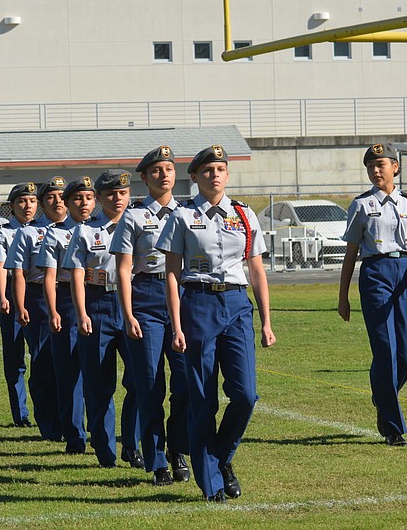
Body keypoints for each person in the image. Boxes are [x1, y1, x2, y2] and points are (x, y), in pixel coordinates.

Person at [157, 145, 275, 503]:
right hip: (198, 304)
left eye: (221, 169)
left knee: (246, 394)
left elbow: (256, 269)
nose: (215, 175)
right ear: (194, 176)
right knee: (202, 397)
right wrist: (176, 325)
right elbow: (172, 275)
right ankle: (211, 484)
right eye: (207, 170)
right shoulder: (181, 216)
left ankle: (220, 457)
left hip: (237, 304)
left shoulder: (243, 214)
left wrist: (267, 320)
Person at [338, 143, 407, 448]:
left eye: (382, 164)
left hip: (405, 271)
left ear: (396, 167)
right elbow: (351, 253)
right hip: (375, 273)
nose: (376, 171)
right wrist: (343, 296)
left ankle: (381, 393)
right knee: (386, 350)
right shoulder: (362, 205)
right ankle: (392, 427)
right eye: (371, 166)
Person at [110, 146, 190, 486]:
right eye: (156, 170)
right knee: (150, 384)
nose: (164, 174)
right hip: (145, 298)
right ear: (145, 177)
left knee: (187, 382)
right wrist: (128, 314)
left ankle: (179, 449)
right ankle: (157, 461)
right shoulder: (133, 216)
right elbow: (124, 270)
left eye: (169, 168)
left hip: (183, 298)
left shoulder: (188, 213)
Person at [63, 169, 142, 469]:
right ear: (99, 198)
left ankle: (132, 445)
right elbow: (77, 274)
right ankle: (105, 450)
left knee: (139, 379)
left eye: (122, 193)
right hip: (97, 302)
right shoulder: (86, 231)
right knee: (99, 384)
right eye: (110, 194)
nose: (117, 198)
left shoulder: (139, 224)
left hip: (132, 304)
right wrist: (82, 313)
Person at [5, 176, 67, 442]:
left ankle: (73, 421)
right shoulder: (29, 232)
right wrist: (20, 306)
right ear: (43, 203)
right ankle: (50, 424)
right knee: (43, 362)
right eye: (51, 196)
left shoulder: (79, 229)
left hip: (73, 297)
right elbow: (17, 272)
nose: (57, 201)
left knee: (73, 363)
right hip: (39, 298)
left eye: (62, 196)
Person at [36, 177, 95, 455]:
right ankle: (74, 435)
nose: (84, 204)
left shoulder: (103, 229)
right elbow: (50, 276)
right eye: (77, 199)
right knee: (68, 372)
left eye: (89, 198)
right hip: (68, 302)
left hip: (99, 298)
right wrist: (53, 310)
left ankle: (100, 431)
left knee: (98, 372)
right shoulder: (57, 233)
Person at [0, 183, 38, 427]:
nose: (27, 206)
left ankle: (46, 411)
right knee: (15, 357)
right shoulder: (5, 232)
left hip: (38, 292)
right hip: (11, 289)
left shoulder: (46, 229)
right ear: (12, 206)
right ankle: (21, 415)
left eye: (31, 201)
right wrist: (3, 298)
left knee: (42, 356)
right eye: (21, 201)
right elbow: (0, 268)